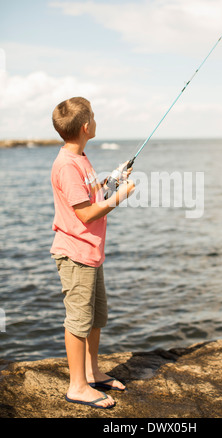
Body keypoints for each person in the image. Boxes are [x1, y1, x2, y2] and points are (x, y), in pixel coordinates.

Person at [50, 96, 135, 410]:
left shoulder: (80, 157)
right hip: (75, 254)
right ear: (86, 126)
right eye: (94, 117)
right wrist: (120, 198)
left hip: (91, 253)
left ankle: (91, 371)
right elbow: (86, 214)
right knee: (78, 321)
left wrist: (111, 182)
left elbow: (88, 195)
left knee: (96, 317)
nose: (96, 121)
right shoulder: (68, 166)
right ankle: (78, 386)